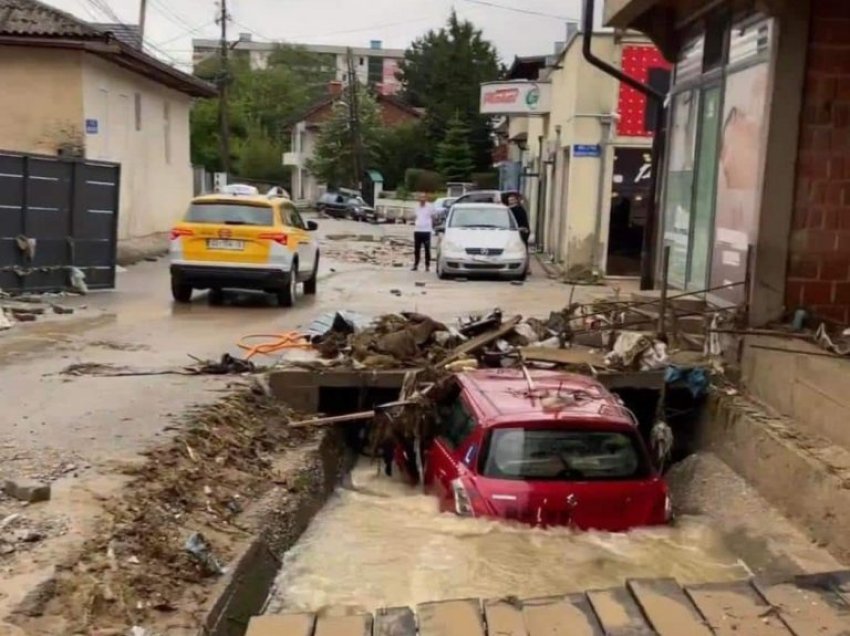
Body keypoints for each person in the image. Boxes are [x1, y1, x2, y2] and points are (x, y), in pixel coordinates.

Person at [412, 193, 436, 271]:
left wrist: (432, 227)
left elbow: (433, 217)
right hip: (417, 230)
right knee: (416, 249)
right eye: (421, 197)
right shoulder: (416, 207)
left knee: (427, 249)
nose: (422, 199)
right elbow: (415, 217)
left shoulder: (430, 207)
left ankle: (427, 265)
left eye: (424, 197)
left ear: (426, 199)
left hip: (426, 231)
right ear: (419, 199)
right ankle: (416, 264)